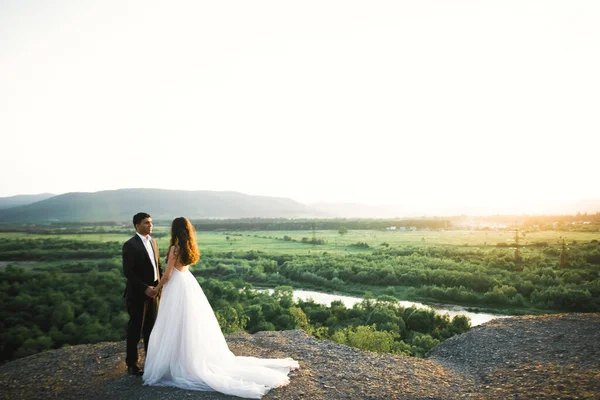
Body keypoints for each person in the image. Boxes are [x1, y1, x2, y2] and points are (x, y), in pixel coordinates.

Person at [143, 217, 298, 399]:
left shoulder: (174, 248)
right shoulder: (188, 247)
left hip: (176, 286)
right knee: (188, 323)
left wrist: (156, 289)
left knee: (174, 322)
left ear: (174, 230)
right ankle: (185, 357)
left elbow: (168, 274)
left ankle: (176, 361)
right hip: (187, 284)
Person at [122, 212, 162, 376]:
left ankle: (150, 361)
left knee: (151, 329)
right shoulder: (130, 245)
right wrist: (145, 288)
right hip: (138, 294)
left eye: (151, 223)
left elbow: (158, 267)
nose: (150, 225)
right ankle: (132, 364)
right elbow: (128, 272)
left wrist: (159, 287)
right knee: (135, 329)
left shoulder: (153, 242)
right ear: (137, 225)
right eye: (146, 223)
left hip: (154, 293)